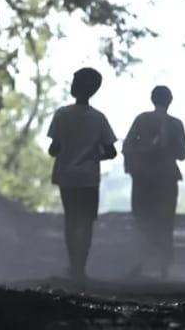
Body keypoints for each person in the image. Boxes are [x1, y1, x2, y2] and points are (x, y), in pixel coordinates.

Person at [46, 67, 117, 281]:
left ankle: (72, 266)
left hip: (67, 176)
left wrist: (66, 150)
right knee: (85, 223)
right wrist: (93, 156)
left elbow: (53, 149)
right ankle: (80, 268)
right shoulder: (98, 118)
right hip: (88, 178)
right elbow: (111, 151)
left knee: (71, 220)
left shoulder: (62, 115)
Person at [122, 85, 185, 279]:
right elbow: (182, 154)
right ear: (170, 100)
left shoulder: (141, 120)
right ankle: (164, 268)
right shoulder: (176, 124)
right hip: (167, 178)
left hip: (143, 177)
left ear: (152, 99)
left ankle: (141, 264)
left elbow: (127, 145)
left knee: (142, 220)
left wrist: (136, 162)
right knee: (166, 222)